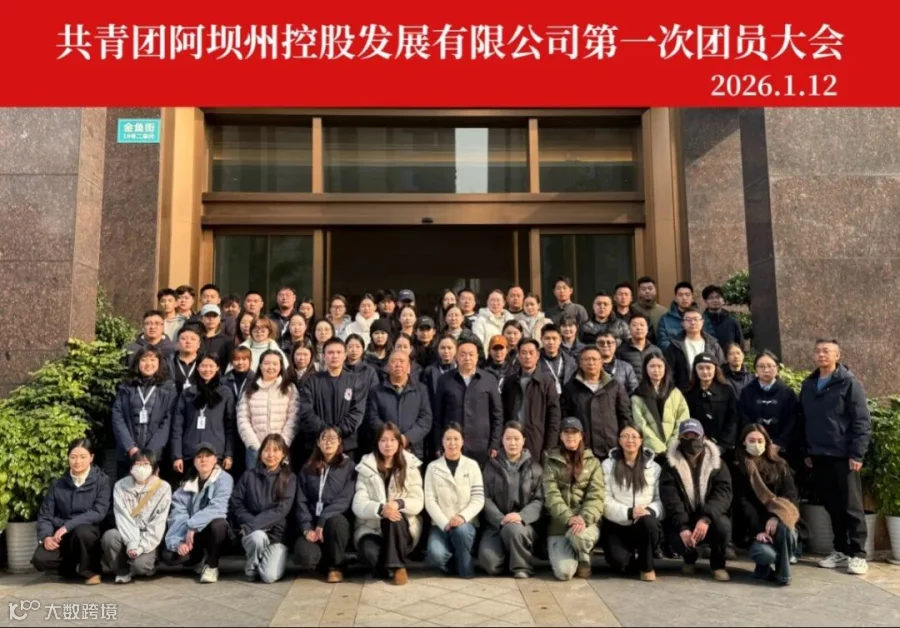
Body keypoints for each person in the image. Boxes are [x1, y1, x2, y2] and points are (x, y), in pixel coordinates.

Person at [799, 338, 871, 575]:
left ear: (837, 356)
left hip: (843, 455)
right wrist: (807, 450)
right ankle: (841, 549)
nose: (821, 355)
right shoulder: (809, 385)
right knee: (832, 506)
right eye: (818, 351)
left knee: (851, 506)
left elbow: (861, 421)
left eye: (827, 351)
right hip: (819, 455)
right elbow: (804, 419)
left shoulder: (849, 383)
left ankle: (858, 553)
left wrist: (857, 453)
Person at [659, 420, 733, 581]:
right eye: (686, 436)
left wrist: (706, 518)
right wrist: (683, 526)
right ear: (679, 438)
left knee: (723, 527)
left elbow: (723, 493)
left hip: (709, 517)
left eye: (695, 436)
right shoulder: (670, 465)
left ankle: (718, 565)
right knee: (676, 537)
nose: (691, 440)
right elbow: (670, 497)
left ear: (703, 437)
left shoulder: (718, 463)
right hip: (683, 517)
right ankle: (689, 558)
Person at [353, 422, 425, 586]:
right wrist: (381, 509)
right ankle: (385, 565)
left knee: (394, 516)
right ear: (377, 443)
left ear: (399, 442)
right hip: (372, 528)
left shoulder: (410, 465)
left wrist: (398, 503)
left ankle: (398, 567)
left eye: (393, 440)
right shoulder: (366, 466)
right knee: (371, 555)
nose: (388, 444)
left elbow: (418, 500)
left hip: (401, 529)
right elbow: (358, 504)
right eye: (383, 440)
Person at [32, 438, 111, 585]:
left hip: (88, 532)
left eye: (83, 457)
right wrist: (46, 536)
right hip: (62, 535)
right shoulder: (58, 484)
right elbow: (45, 515)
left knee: (83, 532)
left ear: (91, 457)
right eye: (73, 457)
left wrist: (68, 526)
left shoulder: (102, 481)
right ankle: (69, 569)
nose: (77, 461)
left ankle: (91, 571)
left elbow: (98, 512)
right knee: (40, 559)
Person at [733, 424, 799, 586]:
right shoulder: (738, 467)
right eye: (751, 440)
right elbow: (743, 503)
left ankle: (783, 575)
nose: (756, 444)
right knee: (764, 553)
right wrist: (758, 530)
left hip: (780, 522)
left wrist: (776, 517)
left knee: (785, 529)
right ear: (743, 442)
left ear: (767, 442)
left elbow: (790, 495)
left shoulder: (780, 465)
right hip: (753, 527)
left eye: (760, 441)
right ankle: (766, 568)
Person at [478, 422, 544, 578]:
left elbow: (539, 500)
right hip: (496, 524)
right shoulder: (491, 466)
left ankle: (522, 567)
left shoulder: (535, 467)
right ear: (502, 440)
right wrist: (500, 519)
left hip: (523, 524)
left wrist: (521, 516)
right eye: (508, 438)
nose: (512, 443)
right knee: (490, 564)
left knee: (512, 529)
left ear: (524, 441)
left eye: (516, 438)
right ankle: (511, 556)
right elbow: (485, 497)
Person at [161, 443, 233, 583]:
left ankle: (212, 566)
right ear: (194, 461)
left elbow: (218, 507)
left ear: (215, 460)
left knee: (218, 524)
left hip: (221, 535)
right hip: (194, 535)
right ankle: (199, 558)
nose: (203, 460)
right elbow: (178, 515)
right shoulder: (186, 484)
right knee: (169, 556)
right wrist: (178, 543)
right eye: (199, 457)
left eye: (207, 456)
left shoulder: (224, 479)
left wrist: (193, 526)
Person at [543, 417, 604, 580]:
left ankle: (584, 557)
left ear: (581, 436)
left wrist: (583, 518)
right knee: (564, 573)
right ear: (561, 436)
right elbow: (551, 495)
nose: (570, 436)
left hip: (585, 524)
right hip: (559, 524)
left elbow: (596, 496)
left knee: (579, 536)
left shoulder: (593, 462)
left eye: (574, 432)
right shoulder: (550, 461)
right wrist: (569, 518)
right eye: (566, 432)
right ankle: (573, 553)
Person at [600, 424, 663, 582]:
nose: (630, 440)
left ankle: (647, 566)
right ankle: (631, 559)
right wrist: (629, 512)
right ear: (619, 440)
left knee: (649, 523)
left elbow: (661, 500)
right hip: (617, 523)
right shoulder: (608, 465)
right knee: (620, 564)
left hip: (643, 522)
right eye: (625, 436)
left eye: (634, 436)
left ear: (641, 440)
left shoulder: (654, 468)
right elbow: (604, 499)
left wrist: (650, 510)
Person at [230, 434, 297, 583]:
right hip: (253, 533)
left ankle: (266, 560)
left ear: (283, 454)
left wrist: (252, 524)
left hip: (276, 535)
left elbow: (281, 510)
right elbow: (236, 503)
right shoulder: (248, 476)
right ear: (260, 453)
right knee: (258, 537)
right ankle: (252, 566)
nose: (270, 454)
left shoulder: (290, 478)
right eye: (266, 450)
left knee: (269, 576)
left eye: (276, 450)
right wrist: (251, 524)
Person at [294, 426, 355, 582]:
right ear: (318, 442)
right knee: (305, 556)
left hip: (333, 523)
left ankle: (336, 566)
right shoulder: (307, 467)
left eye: (333, 438)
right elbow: (301, 501)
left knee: (337, 523)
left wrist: (323, 518)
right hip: (312, 524)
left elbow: (345, 499)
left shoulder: (348, 466)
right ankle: (324, 562)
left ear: (339, 441)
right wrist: (307, 528)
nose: (328, 442)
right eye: (324, 438)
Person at [102, 450, 172, 584]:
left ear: (154, 467)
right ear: (131, 467)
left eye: (146, 464)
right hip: (125, 531)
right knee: (110, 536)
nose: (141, 468)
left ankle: (148, 564)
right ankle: (122, 570)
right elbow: (122, 518)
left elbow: (158, 523)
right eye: (138, 464)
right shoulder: (120, 486)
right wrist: (132, 543)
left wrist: (140, 547)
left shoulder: (163, 488)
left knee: (140, 566)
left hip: (148, 536)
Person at [425, 423, 485, 578]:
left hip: (466, 523)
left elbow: (478, 498)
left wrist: (462, 517)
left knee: (461, 531)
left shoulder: (472, 465)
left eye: (456, 439)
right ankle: (458, 561)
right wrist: (445, 523)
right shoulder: (432, 467)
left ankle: (465, 569)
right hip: (440, 525)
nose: (452, 443)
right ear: (442, 441)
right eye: (448, 439)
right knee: (436, 555)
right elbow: (430, 500)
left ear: (463, 441)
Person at [111, 346, 179, 479]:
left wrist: (150, 452)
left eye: (153, 360)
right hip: (128, 455)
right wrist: (131, 448)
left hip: (156, 456)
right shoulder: (126, 386)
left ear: (159, 363)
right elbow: (117, 416)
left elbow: (168, 421)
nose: (148, 364)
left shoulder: (168, 388)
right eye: (144, 359)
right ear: (137, 362)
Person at [433, 339, 503, 465]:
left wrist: (495, 443)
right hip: (452, 445)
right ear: (456, 357)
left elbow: (497, 415)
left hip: (482, 446)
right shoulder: (445, 380)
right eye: (463, 354)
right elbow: (438, 415)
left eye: (471, 354)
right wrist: (438, 444)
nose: (467, 358)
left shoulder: (489, 379)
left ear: (477, 357)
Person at [561, 346, 632, 462]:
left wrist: (623, 440)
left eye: (594, 359)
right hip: (583, 448)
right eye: (586, 359)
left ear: (601, 362)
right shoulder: (571, 388)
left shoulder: (614, 385)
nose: (591, 363)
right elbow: (566, 417)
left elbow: (625, 415)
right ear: (580, 363)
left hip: (611, 447)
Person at [172, 354, 236, 476]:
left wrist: (229, 454)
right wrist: (177, 455)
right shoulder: (188, 393)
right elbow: (177, 426)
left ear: (218, 368)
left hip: (216, 452)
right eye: (203, 366)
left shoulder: (225, 393)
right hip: (190, 453)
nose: (207, 370)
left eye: (211, 366)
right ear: (197, 368)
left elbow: (230, 426)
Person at [237, 349, 301, 470]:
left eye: (275, 364)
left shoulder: (290, 388)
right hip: (255, 450)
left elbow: (294, 418)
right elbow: (242, 418)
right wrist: (255, 445)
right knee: (254, 480)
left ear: (281, 367)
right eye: (266, 363)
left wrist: (281, 444)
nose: (271, 367)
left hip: (281, 450)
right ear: (260, 366)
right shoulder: (250, 388)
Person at [365, 349, 433, 460]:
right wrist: (391, 438)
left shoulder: (421, 390)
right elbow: (373, 418)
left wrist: (407, 438)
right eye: (394, 361)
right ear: (388, 367)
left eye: (402, 361)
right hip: (385, 448)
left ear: (409, 366)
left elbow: (425, 419)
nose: (398, 365)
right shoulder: (377, 391)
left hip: (413, 449)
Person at [500, 338, 562, 459]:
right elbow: (503, 412)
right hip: (513, 439)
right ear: (518, 356)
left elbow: (554, 416)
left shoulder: (546, 382)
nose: (527, 356)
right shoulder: (510, 381)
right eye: (523, 353)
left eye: (531, 353)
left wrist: (550, 446)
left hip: (537, 439)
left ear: (537, 355)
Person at [631, 353, 691, 457]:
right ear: (645, 369)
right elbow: (640, 423)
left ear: (665, 368)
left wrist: (672, 443)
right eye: (652, 366)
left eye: (659, 366)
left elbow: (683, 418)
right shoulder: (638, 395)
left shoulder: (675, 392)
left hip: (674, 449)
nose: (656, 370)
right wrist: (659, 447)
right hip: (649, 450)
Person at [683, 353, 740, 457]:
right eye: (701, 368)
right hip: (697, 447)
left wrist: (723, 444)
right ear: (695, 370)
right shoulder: (688, 393)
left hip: (724, 448)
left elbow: (733, 418)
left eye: (708, 368)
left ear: (715, 369)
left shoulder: (726, 390)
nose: (705, 371)